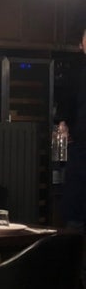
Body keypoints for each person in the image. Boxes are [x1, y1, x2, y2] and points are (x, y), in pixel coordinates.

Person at [55, 24, 86, 229]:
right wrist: (63, 123)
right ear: (81, 44)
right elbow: (66, 101)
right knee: (75, 205)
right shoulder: (76, 70)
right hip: (80, 145)